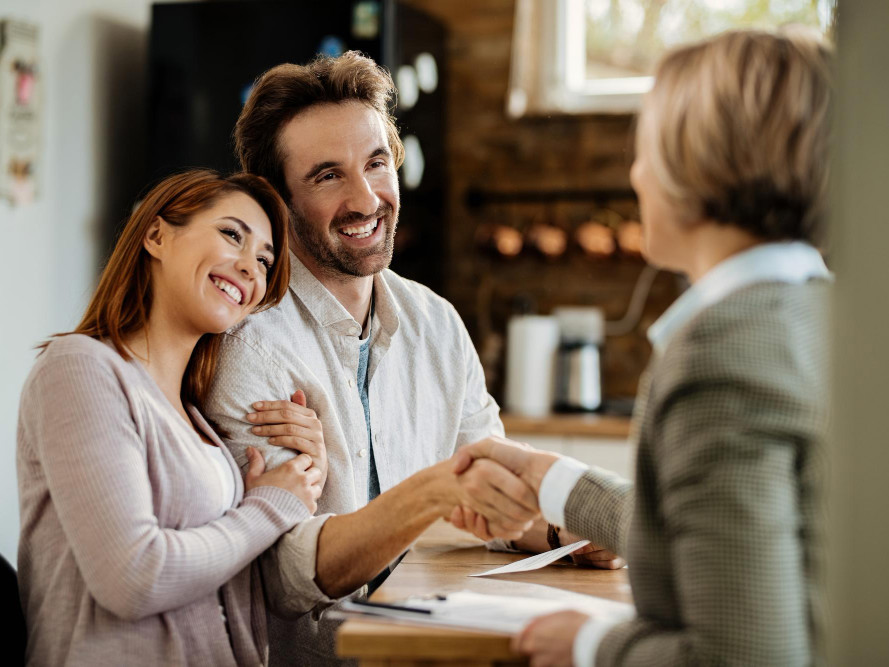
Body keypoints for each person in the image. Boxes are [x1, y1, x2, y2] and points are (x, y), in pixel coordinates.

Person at [454, 28, 832, 666]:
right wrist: (552, 480)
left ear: (698, 166)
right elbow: (730, 540)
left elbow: (742, 657)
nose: (635, 173)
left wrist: (591, 644)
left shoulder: (723, 354)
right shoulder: (822, 313)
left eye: (647, 149)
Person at [202, 52, 561, 665]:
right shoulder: (249, 345)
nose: (366, 199)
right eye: (327, 176)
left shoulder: (437, 323)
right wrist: (432, 492)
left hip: (430, 647)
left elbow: (488, 497)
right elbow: (283, 575)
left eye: (375, 163)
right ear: (277, 203)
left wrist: (563, 534)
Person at [16, 169, 326, 666]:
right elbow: (133, 578)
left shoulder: (194, 418)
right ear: (157, 236)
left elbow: (221, 573)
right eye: (232, 235)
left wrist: (301, 476)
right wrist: (268, 508)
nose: (250, 268)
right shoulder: (79, 369)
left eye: (264, 261)